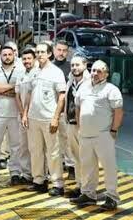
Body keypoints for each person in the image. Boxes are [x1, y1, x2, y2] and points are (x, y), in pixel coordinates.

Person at [72, 60, 123, 210]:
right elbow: (78, 107)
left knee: (109, 167)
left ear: (106, 74)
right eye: (93, 70)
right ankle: (88, 195)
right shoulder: (83, 88)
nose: (95, 73)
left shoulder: (111, 90)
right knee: (87, 166)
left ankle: (112, 197)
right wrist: (80, 127)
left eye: (99, 71)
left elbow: (118, 111)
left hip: (103, 135)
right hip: (85, 135)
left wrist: (113, 130)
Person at [22, 43, 67, 195]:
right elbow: (29, 94)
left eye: (42, 52)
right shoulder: (33, 72)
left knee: (53, 152)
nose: (40, 54)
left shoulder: (56, 72)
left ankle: (57, 184)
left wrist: (56, 118)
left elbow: (62, 96)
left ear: (49, 54)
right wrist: (25, 113)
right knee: (35, 151)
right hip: (33, 118)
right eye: (38, 52)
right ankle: (39, 181)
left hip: (48, 118)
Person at [0, 46, 25, 184]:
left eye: (9, 54)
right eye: (4, 55)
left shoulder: (21, 70)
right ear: (0, 56)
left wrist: (2, 89)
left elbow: (21, 90)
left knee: (16, 145)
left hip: (16, 113)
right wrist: (13, 87)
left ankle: (15, 172)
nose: (7, 57)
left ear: (14, 55)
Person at [63, 56, 90, 199]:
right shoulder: (71, 81)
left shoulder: (90, 83)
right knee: (77, 158)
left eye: (78, 65)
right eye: (72, 65)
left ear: (85, 65)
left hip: (84, 126)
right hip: (71, 124)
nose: (74, 68)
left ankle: (88, 190)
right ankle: (80, 186)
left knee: (87, 159)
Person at [14, 48, 37, 185]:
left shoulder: (38, 73)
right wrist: (22, 113)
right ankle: (26, 174)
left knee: (36, 147)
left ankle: (38, 174)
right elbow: (17, 95)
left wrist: (27, 114)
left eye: (29, 58)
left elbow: (31, 95)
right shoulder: (20, 74)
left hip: (35, 116)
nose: (27, 61)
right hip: (22, 116)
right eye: (24, 59)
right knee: (23, 146)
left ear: (34, 59)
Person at [52, 39, 74, 177]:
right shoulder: (48, 67)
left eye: (64, 51)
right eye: (59, 50)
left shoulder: (71, 69)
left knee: (67, 140)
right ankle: (55, 167)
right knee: (53, 141)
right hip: (50, 110)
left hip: (65, 112)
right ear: (54, 50)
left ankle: (71, 167)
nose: (61, 53)